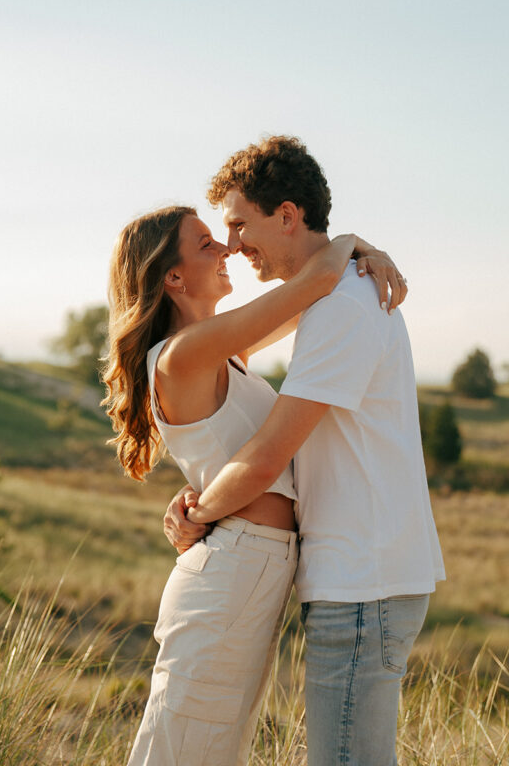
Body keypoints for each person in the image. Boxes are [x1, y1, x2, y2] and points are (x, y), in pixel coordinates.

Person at [165, 135, 445, 766]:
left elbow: (269, 454)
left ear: (287, 215)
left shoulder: (342, 305)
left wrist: (195, 514)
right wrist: (350, 243)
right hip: (359, 575)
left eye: (239, 224)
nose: (233, 243)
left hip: (362, 579)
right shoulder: (336, 293)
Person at [102, 202, 405, 766]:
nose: (227, 249)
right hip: (230, 568)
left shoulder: (223, 354)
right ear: (173, 277)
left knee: (217, 747)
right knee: (184, 745)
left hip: (252, 566)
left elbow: (316, 294)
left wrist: (357, 254)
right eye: (205, 244)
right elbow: (314, 280)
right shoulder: (181, 356)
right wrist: (355, 241)